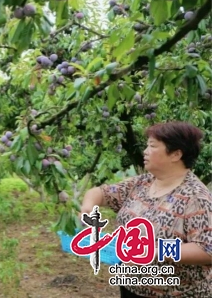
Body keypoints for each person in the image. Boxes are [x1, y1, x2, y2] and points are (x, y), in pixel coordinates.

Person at [80, 121, 212, 297]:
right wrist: (88, 208)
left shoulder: (196, 197)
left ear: (175, 154)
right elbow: (100, 192)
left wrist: (155, 250)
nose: (145, 151)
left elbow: (206, 250)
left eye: (152, 146)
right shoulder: (143, 182)